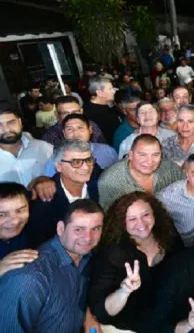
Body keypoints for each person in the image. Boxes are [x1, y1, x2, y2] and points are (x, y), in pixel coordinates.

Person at [0, 199, 104, 332]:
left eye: (96, 229)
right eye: (79, 229)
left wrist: (87, 315)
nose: (88, 237)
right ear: (61, 228)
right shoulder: (30, 277)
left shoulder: (86, 255)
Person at [88, 191, 181, 331]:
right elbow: (102, 311)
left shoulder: (168, 234)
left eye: (146, 215)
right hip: (126, 326)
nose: (141, 223)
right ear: (122, 222)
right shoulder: (113, 253)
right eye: (132, 219)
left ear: (154, 213)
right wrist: (123, 291)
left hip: (163, 321)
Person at [29, 140, 101, 248]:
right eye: (76, 162)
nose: (86, 167)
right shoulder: (45, 199)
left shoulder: (98, 184)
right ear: (58, 166)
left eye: (89, 160)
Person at [98, 134, 184, 210]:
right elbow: (110, 219)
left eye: (155, 155)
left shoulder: (172, 170)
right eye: (143, 155)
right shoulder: (109, 181)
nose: (149, 161)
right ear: (130, 155)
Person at [43, 114, 118, 176]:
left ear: (90, 130)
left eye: (80, 128)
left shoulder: (108, 151)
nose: (76, 133)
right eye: (69, 129)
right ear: (64, 134)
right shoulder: (56, 158)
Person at [0, 108, 53, 186]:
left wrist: (45, 180)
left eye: (11, 122)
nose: (7, 129)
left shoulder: (44, 148)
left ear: (20, 122)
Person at [0, 182, 38, 277]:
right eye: (2, 215)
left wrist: (40, 181)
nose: (15, 221)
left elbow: (37, 188)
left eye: (20, 210)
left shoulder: (32, 225)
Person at [41, 95, 107, 147]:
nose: (71, 116)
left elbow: (103, 147)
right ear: (57, 115)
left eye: (75, 112)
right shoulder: (50, 135)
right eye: (65, 113)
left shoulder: (92, 125)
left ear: (81, 111)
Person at [84, 76, 122, 144]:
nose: (113, 91)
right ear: (99, 93)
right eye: (110, 89)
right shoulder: (90, 113)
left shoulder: (109, 103)